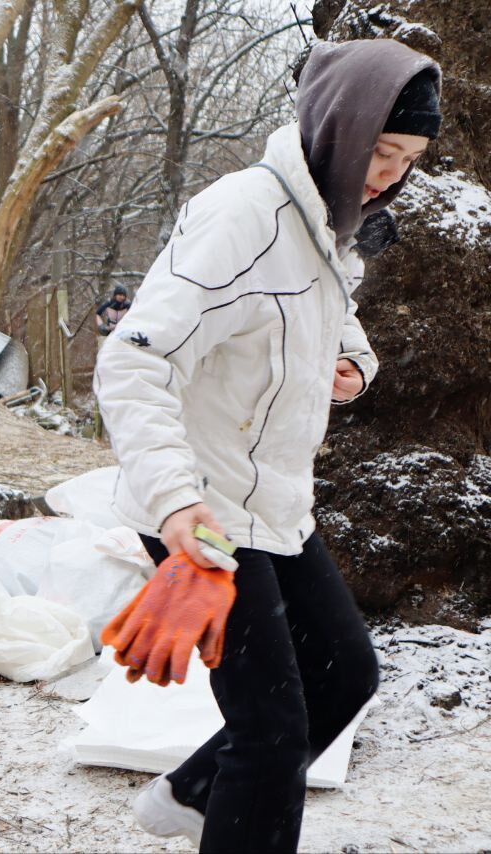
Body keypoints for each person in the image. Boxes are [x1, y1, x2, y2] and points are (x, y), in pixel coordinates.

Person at [93, 39, 441, 852]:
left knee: (345, 676)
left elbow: (329, 325)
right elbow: (133, 357)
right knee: (273, 733)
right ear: (339, 128)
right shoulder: (246, 212)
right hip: (204, 509)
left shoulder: (330, 225)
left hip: (273, 500)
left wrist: (354, 365)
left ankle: (192, 797)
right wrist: (177, 505)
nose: (389, 173)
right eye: (381, 151)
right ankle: (221, 806)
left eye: (408, 159)